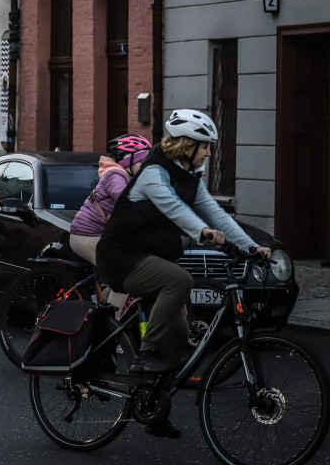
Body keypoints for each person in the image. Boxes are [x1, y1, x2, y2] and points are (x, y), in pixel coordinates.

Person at [96, 110, 271, 439]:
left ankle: (154, 410)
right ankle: (145, 356)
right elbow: (174, 207)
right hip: (122, 257)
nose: (208, 153)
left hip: (152, 257)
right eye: (205, 146)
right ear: (187, 145)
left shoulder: (192, 177)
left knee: (178, 337)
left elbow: (214, 212)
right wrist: (203, 232)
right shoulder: (153, 173)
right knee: (180, 280)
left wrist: (251, 246)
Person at [69, 134, 153, 266]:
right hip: (87, 236)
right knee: (121, 270)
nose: (145, 167)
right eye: (141, 162)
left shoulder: (128, 177)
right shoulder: (115, 176)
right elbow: (126, 200)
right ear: (128, 161)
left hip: (103, 235)